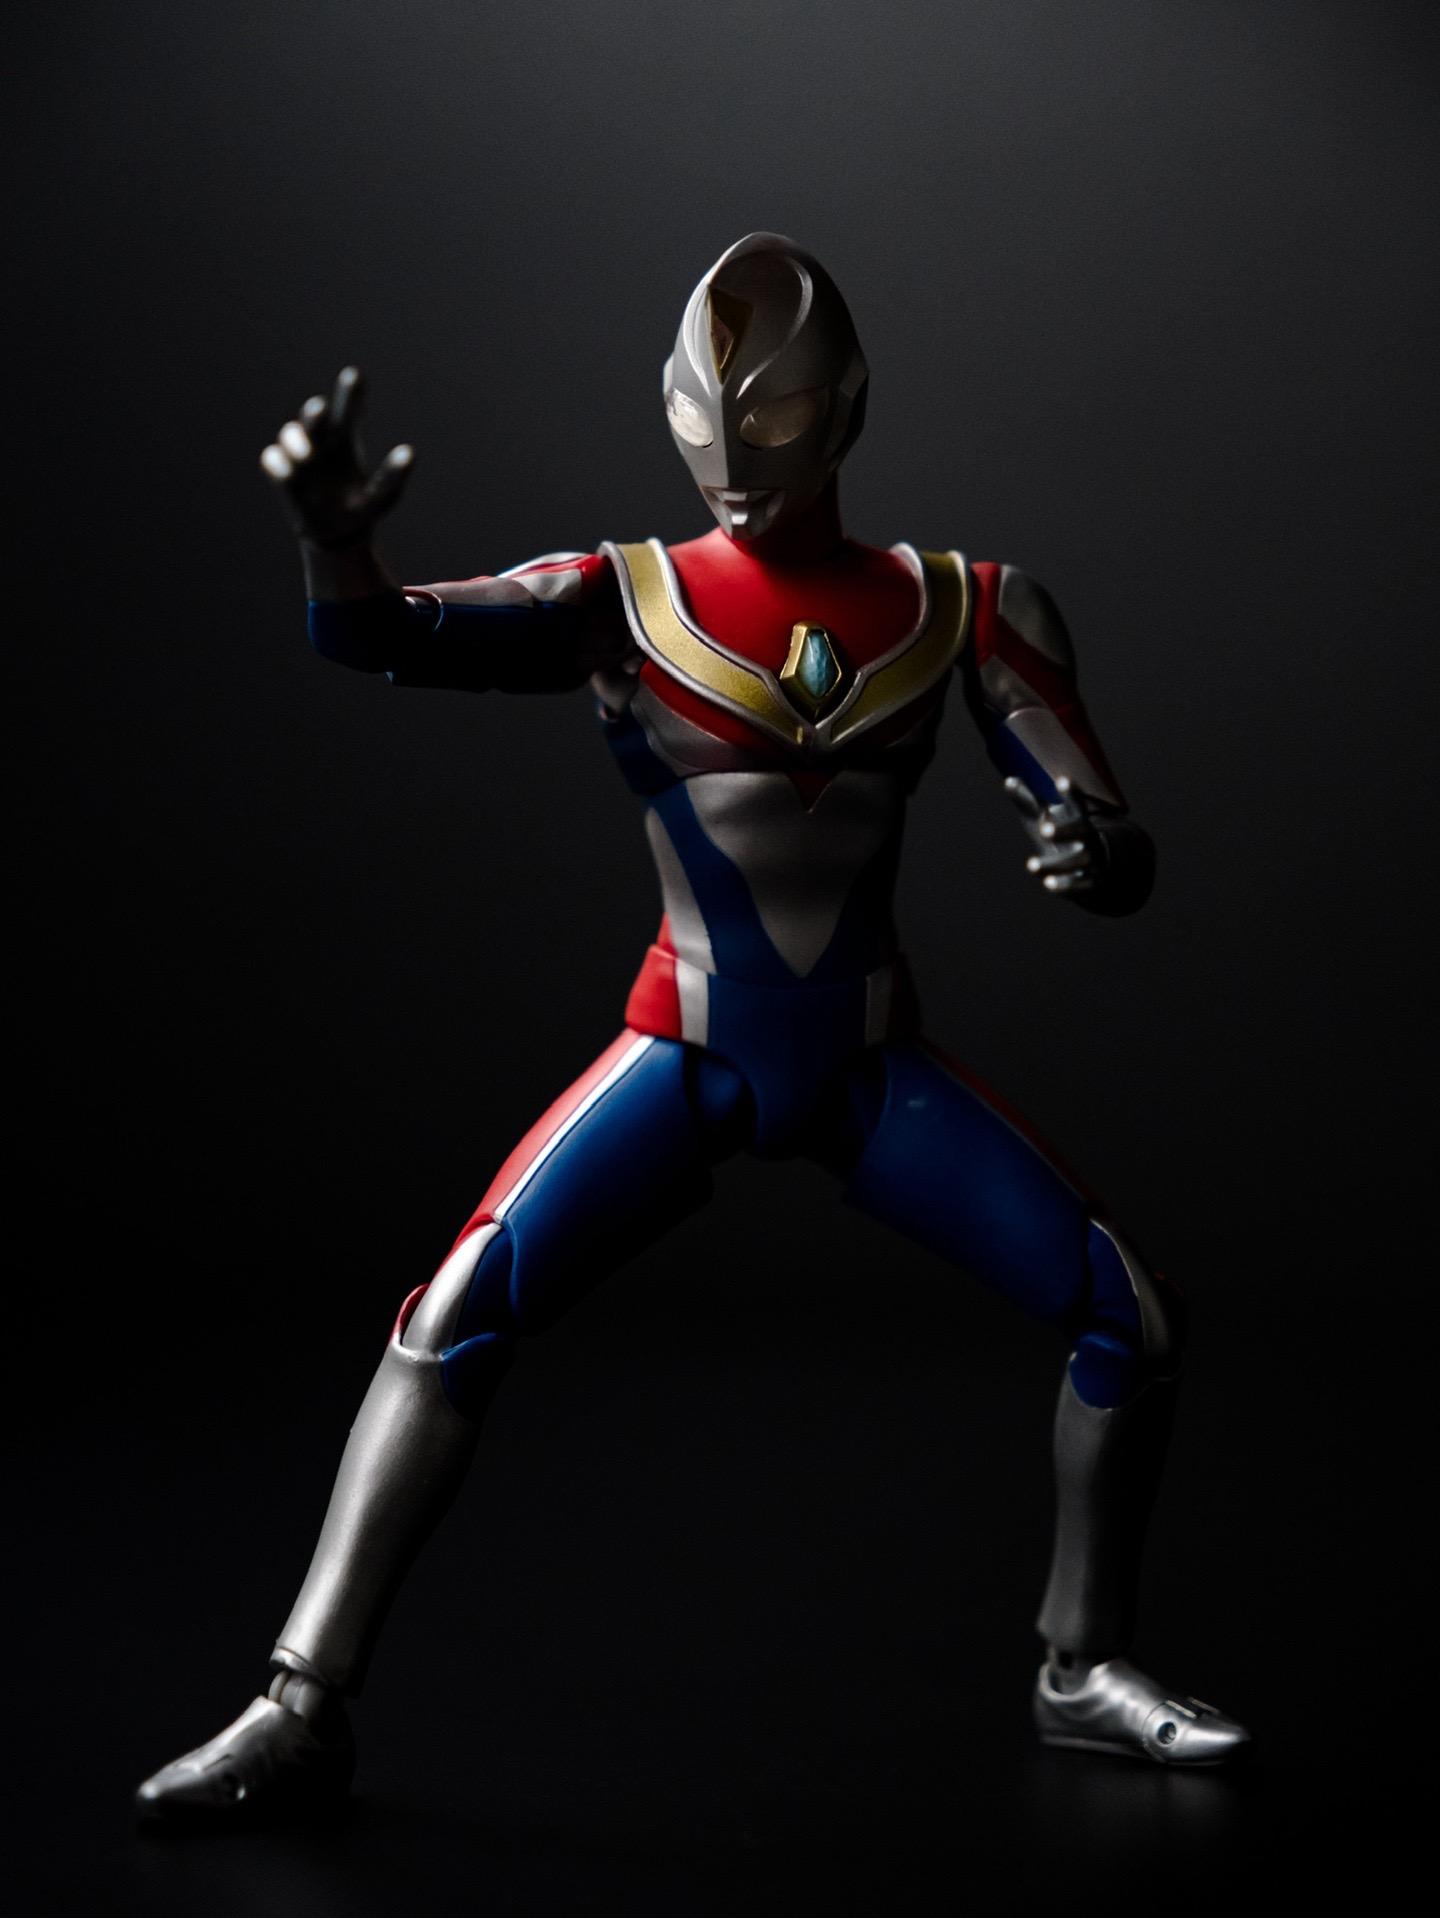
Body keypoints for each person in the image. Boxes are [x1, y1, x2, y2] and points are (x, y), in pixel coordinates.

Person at [137, 232, 1247, 1817]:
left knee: (1132, 1318)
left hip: (864, 1063)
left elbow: (1106, 825)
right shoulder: (622, 599)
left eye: (773, 425)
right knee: (451, 1314)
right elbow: (382, 637)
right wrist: (334, 547)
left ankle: (1082, 1662)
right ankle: (300, 1701)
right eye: (706, 422)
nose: (736, 463)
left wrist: (1098, 852)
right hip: (690, 1051)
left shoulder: (965, 605)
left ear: (843, 409)